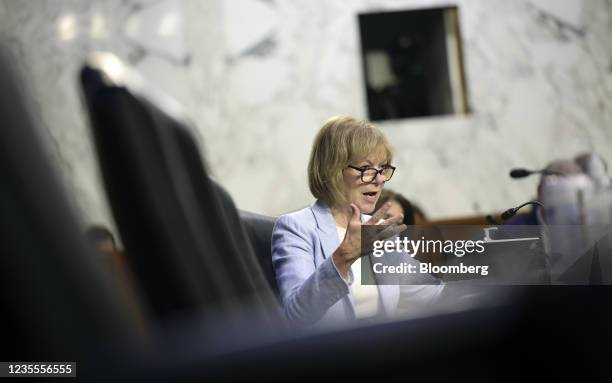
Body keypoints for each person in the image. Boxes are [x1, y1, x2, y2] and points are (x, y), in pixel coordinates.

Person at [271, 116, 441, 327]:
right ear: (333, 170)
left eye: (382, 168)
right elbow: (297, 314)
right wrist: (344, 256)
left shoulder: (379, 229)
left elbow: (430, 293)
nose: (379, 179)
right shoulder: (296, 228)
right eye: (367, 169)